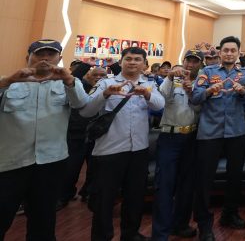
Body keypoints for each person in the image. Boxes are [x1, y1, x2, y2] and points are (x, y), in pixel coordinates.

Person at [0, 40, 89, 241]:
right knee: (2, 213)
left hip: (51, 162)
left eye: (51, 55)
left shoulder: (68, 84)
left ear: (59, 59)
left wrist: (69, 80)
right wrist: (9, 81)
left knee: (43, 219)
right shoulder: (9, 82)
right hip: (11, 162)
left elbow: (83, 106)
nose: (45, 59)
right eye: (40, 54)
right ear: (28, 58)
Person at [80, 46, 165, 241]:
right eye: (128, 59)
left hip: (139, 150)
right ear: (121, 62)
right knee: (104, 199)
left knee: (135, 196)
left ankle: (130, 234)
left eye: (137, 59)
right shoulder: (105, 83)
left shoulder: (149, 84)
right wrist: (105, 94)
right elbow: (86, 111)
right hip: (109, 150)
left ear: (144, 64)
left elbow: (160, 105)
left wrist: (147, 94)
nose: (132, 62)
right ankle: (101, 236)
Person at [190, 36, 245, 241]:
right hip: (210, 133)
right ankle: (204, 224)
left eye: (233, 50)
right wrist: (209, 90)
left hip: (236, 132)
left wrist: (243, 92)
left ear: (238, 53)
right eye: (226, 50)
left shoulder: (243, 74)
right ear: (219, 52)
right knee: (204, 180)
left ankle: (229, 214)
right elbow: (195, 98)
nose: (229, 53)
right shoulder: (207, 72)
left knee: (234, 177)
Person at [151, 50, 204, 240]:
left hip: (191, 137)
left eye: (195, 62)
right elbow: (160, 100)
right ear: (183, 61)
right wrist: (170, 77)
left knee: (187, 186)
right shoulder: (171, 80)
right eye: (188, 60)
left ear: (200, 65)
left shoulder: (202, 82)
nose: (190, 64)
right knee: (165, 186)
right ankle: (160, 233)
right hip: (170, 137)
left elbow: (199, 108)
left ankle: (180, 225)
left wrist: (191, 91)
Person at [58, 64, 107, 209]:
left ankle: (87, 192)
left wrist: (113, 65)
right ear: (88, 76)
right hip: (76, 134)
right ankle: (64, 195)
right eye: (95, 75)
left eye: (102, 75)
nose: (98, 78)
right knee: (71, 168)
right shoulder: (80, 86)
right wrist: (87, 64)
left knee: (94, 168)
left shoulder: (109, 89)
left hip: (97, 136)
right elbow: (74, 77)